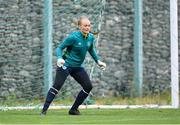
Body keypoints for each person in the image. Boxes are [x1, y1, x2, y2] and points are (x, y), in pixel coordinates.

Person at [41, 16, 106, 115]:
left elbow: (91, 49)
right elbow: (59, 48)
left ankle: (73, 109)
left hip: (77, 67)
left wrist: (98, 61)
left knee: (88, 86)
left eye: (89, 25)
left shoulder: (91, 37)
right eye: (85, 25)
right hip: (65, 65)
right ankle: (44, 111)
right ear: (79, 26)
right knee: (57, 86)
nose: (87, 27)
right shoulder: (73, 37)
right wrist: (59, 58)